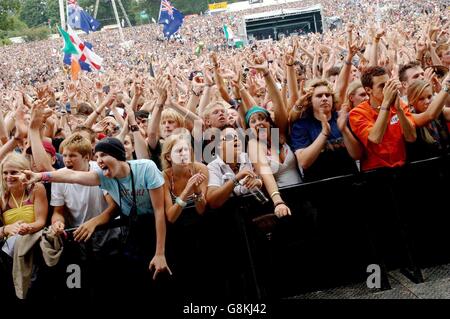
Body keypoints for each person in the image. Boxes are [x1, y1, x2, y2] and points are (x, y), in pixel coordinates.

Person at [21, 137, 171, 303]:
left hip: (158, 228)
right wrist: (39, 176)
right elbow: (72, 176)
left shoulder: (145, 168)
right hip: (133, 230)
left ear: (117, 155)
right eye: (97, 156)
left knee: (160, 277)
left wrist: (160, 253)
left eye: (103, 155)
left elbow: (159, 212)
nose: (99, 160)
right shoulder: (103, 176)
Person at [290, 79, 361, 181]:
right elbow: (304, 162)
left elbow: (357, 155)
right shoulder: (301, 125)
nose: (324, 98)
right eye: (319, 96)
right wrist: (324, 134)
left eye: (327, 95)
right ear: (310, 101)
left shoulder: (343, 118)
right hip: (319, 187)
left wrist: (344, 129)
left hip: (350, 181)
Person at [349, 67, 417, 171]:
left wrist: (399, 110)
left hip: (402, 167)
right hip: (376, 172)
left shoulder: (399, 105)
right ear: (368, 90)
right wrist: (386, 103)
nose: (387, 89)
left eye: (388, 84)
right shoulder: (357, 113)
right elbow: (375, 138)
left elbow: (411, 137)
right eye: (382, 86)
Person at [161, 133, 208, 223]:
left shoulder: (200, 169)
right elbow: (171, 217)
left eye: (186, 150)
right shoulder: (165, 177)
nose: (184, 154)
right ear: (168, 157)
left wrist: (197, 190)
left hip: (200, 222)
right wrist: (186, 191)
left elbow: (201, 210)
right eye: (179, 151)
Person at [406, 78, 450, 160]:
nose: (427, 101)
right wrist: (447, 86)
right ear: (411, 101)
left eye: (430, 97)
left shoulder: (440, 112)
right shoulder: (409, 117)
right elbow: (430, 115)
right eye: (421, 99)